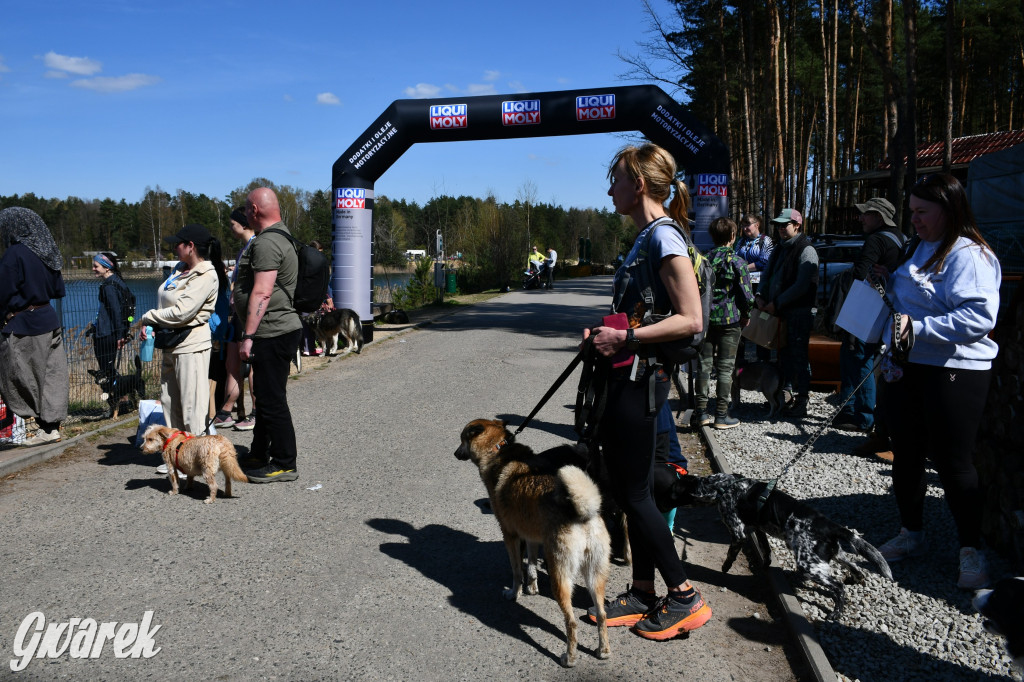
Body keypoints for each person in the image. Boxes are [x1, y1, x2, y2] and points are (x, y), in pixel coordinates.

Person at [583, 143, 712, 640]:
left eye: (615, 179)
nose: (609, 188)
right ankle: (641, 591)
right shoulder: (646, 238)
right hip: (628, 377)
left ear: (638, 184)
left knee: (636, 495)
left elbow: (692, 319)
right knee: (629, 489)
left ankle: (684, 597)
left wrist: (627, 338)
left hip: (641, 383)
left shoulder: (664, 239)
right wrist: (604, 335)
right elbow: (644, 313)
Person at [874, 173, 1001, 590]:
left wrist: (920, 328)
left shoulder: (970, 254)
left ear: (948, 210)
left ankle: (971, 549)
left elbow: (980, 317)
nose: (913, 220)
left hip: (955, 371)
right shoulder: (919, 245)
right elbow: (909, 299)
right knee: (906, 453)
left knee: (953, 462)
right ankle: (911, 533)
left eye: (921, 212)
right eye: (911, 212)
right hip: (908, 365)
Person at [235, 187, 302, 484]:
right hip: (275, 329)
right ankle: (259, 452)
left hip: (271, 331)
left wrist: (247, 336)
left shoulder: (267, 243)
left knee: (272, 399)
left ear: (253, 209)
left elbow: (262, 292)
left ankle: (285, 463)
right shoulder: (282, 236)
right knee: (264, 396)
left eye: (246, 209)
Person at [136, 223, 220, 454]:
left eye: (178, 244)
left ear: (190, 246)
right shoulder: (179, 269)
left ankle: (195, 455)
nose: (174, 248)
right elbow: (167, 304)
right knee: (170, 402)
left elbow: (183, 311)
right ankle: (176, 454)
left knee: (192, 405)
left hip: (191, 345)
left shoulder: (205, 274)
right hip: (171, 343)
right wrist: (152, 324)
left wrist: (148, 316)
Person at [833, 197, 905, 433]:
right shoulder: (901, 240)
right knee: (863, 358)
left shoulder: (876, 240)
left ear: (878, 216)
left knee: (857, 358)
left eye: (866, 214)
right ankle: (851, 409)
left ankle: (862, 416)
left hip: (864, 311)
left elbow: (862, 273)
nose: (861, 218)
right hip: (885, 309)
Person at [0, 207, 68, 446]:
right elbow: (58, 290)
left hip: (24, 324)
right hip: (49, 319)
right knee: (52, 377)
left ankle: (44, 426)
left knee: (19, 377)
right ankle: (51, 428)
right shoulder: (47, 252)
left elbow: (4, 291)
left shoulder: (15, 254)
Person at [692, 217, 755, 429]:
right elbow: (746, 295)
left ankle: (700, 413)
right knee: (726, 368)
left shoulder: (702, 260)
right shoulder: (738, 262)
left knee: (703, 365)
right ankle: (721, 414)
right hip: (731, 320)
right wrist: (746, 314)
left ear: (713, 236)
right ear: (732, 236)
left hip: (705, 320)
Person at [755, 208, 818, 418]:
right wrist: (761, 294)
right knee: (783, 355)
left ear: (797, 225)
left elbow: (802, 286)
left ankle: (802, 399)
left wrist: (777, 302)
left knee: (799, 355)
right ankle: (784, 396)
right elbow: (767, 274)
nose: (781, 229)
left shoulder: (806, 250)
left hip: (799, 312)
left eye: (785, 225)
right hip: (780, 311)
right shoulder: (780, 248)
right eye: (779, 225)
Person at [212, 208, 256, 431]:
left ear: (244, 223)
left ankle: (256, 412)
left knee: (253, 365)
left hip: (249, 314)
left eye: (232, 224)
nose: (230, 228)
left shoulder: (256, 246)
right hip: (236, 314)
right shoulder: (242, 251)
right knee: (232, 363)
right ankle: (226, 410)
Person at [734, 213, 773, 365]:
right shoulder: (741, 241)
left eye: (747, 224)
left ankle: (763, 361)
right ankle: (740, 362)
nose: (744, 228)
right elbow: (735, 257)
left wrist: (742, 267)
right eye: (743, 225)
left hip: (760, 287)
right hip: (743, 285)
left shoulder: (766, 240)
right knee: (743, 320)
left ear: (757, 225)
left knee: (760, 321)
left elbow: (764, 262)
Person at [89, 252, 131, 383]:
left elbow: (116, 311)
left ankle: (120, 399)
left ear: (107, 267)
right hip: (112, 333)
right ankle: (122, 399)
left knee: (106, 372)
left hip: (106, 335)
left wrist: (119, 335)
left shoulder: (109, 287)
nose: (93, 269)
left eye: (96, 266)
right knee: (109, 370)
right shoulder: (118, 281)